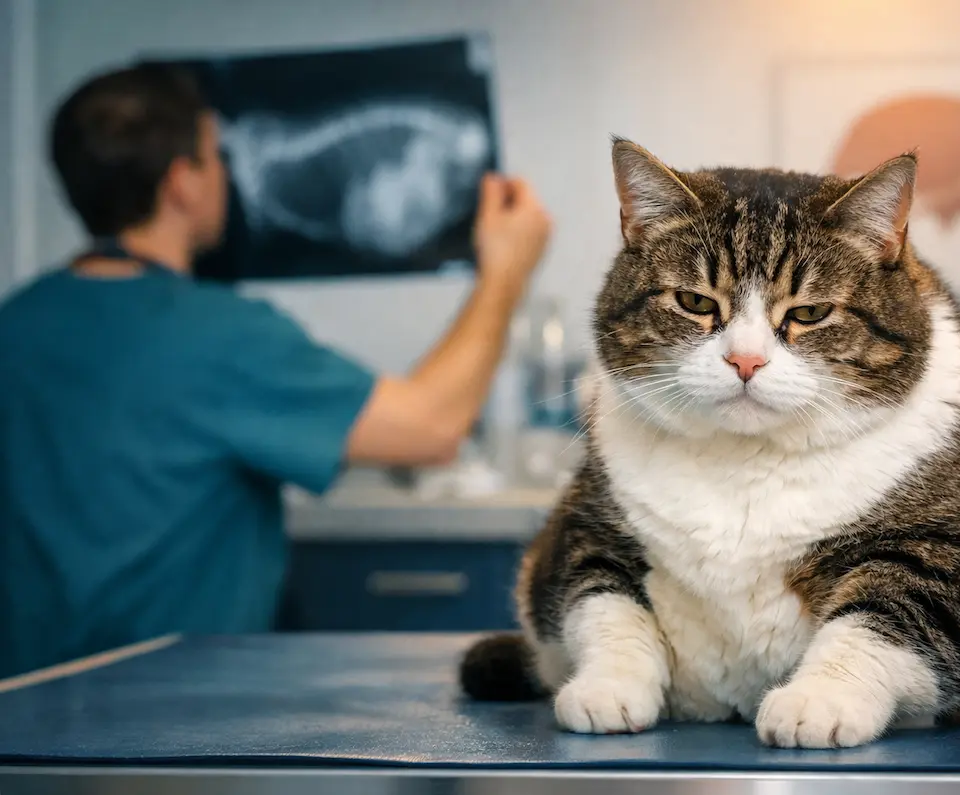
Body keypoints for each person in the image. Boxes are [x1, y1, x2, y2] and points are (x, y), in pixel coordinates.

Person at [0, 63, 552, 678]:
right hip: (165, 727)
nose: (229, 177)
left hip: (22, 719)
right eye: (217, 158)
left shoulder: (14, 325)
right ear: (183, 183)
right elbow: (431, 427)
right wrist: (507, 268)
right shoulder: (217, 335)